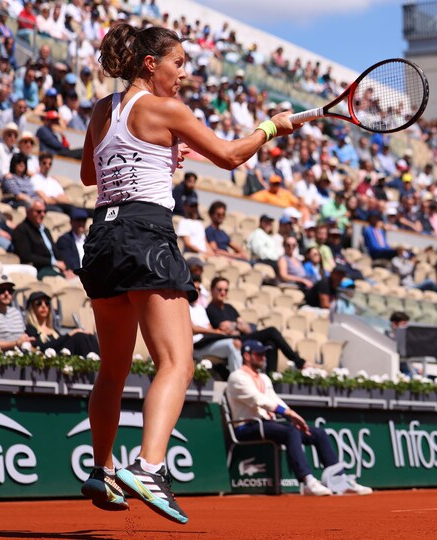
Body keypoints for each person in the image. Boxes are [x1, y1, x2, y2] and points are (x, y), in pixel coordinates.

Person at [75, 23, 295, 523]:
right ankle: (149, 468)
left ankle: (102, 469)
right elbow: (232, 156)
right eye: (179, 63)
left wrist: (159, 153)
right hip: (145, 234)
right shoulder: (166, 109)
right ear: (151, 64)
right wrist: (271, 128)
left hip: (102, 238)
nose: (184, 74)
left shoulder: (102, 110)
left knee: (112, 370)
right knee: (177, 362)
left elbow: (91, 174)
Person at [225, 340, 371, 496]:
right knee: (291, 432)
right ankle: (307, 481)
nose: (263, 357)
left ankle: (339, 479)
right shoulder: (236, 377)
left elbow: (274, 399)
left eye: (264, 354)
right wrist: (289, 415)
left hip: (267, 424)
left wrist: (293, 416)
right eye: (259, 354)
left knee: (317, 433)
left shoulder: (263, 378)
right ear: (247, 356)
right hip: (246, 427)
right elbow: (258, 400)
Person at [206, 277, 305, 372]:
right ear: (212, 290)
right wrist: (238, 325)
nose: (223, 293)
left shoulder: (229, 307)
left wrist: (235, 326)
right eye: (219, 289)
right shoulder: (210, 309)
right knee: (272, 331)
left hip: (242, 337)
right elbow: (226, 329)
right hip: (230, 341)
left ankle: (271, 377)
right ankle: (299, 362)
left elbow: (247, 329)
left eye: (226, 290)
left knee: (271, 343)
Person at [189, 276, 241, 372]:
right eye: (194, 288)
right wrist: (216, 332)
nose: (197, 291)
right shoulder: (184, 306)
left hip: (206, 342)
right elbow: (193, 329)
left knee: (239, 343)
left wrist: (215, 331)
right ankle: (238, 380)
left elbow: (208, 327)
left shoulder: (200, 308)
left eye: (199, 289)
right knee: (232, 344)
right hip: (195, 346)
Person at [11, 199, 73, 279]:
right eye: (38, 211)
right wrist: (53, 262)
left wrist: (67, 269)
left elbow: (56, 251)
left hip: (56, 267)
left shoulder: (45, 230)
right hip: (40, 268)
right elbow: (26, 255)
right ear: (28, 211)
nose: (43, 214)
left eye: (44, 211)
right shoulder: (21, 230)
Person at [23, 291, 100, 356]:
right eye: (39, 303)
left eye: (47, 303)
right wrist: (69, 334)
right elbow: (43, 347)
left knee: (89, 336)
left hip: (65, 355)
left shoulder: (53, 330)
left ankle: (98, 364)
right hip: (53, 359)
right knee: (79, 337)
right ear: (32, 308)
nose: (44, 306)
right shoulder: (30, 328)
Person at [0, 274, 35, 351]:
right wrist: (15, 344)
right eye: (1, 290)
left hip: (21, 356)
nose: (6, 293)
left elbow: (22, 339)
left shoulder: (16, 312)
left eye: (10, 290)